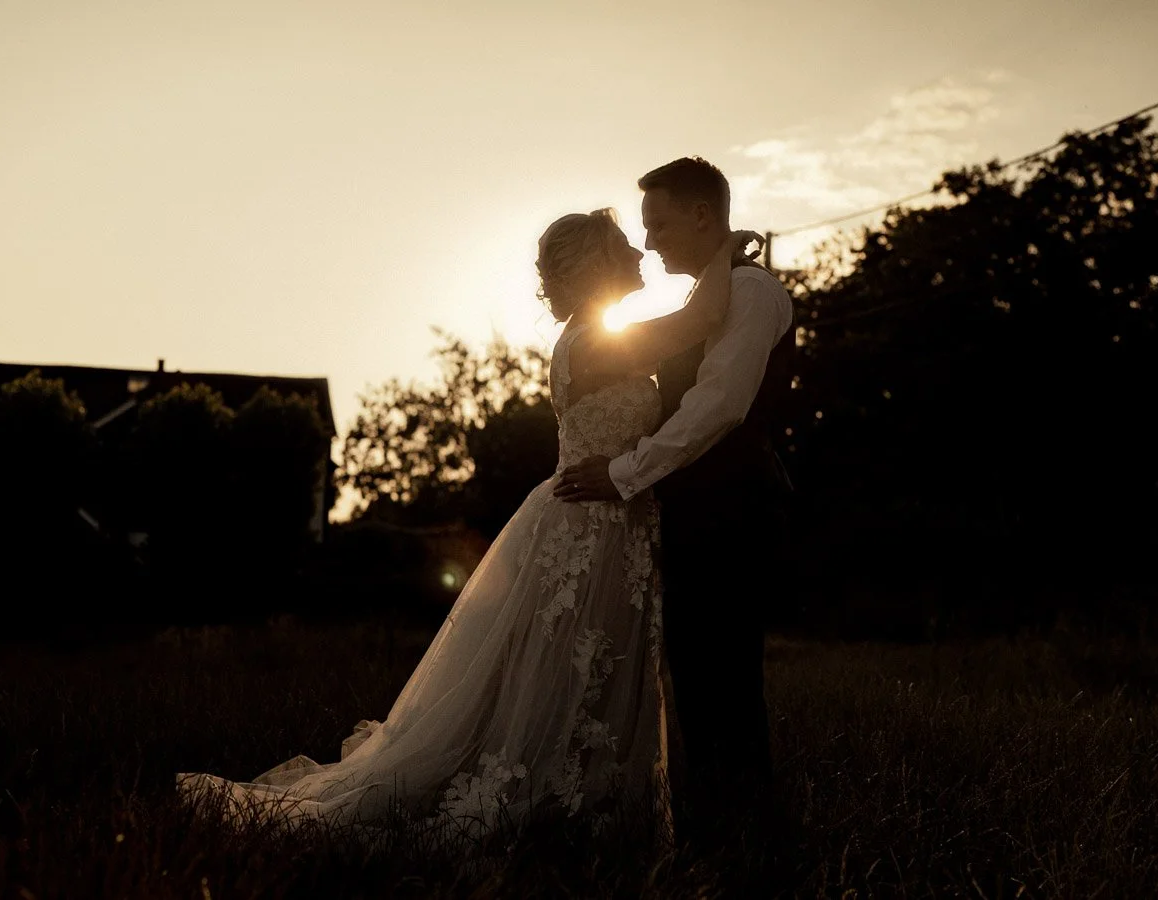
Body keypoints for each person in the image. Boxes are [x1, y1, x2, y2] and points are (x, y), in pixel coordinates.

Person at [176, 207, 762, 843]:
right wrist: (723, 250)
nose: (641, 254)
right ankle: (539, 799)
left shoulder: (594, 335)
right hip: (585, 529)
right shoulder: (596, 340)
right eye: (626, 245)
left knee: (587, 665)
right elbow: (703, 320)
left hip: (609, 524)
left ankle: (587, 801)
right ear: (596, 262)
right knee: (562, 663)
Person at [554, 157, 796, 837]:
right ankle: (716, 813)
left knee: (723, 667)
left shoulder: (751, 294)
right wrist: (725, 251)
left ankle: (743, 821)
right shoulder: (698, 301)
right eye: (639, 232)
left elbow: (717, 407)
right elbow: (694, 325)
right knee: (695, 668)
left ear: (699, 214)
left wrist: (627, 471)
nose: (650, 240)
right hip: (671, 511)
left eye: (656, 223)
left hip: (730, 507)